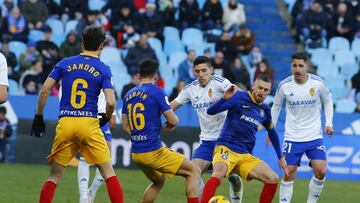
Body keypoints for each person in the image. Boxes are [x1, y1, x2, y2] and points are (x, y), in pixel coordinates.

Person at [30, 25, 124, 203]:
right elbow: (111, 101)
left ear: (82, 43)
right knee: (109, 173)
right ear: (101, 45)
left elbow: (44, 91)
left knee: (54, 177)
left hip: (66, 122)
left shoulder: (64, 63)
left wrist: (38, 116)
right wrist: (107, 115)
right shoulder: (103, 68)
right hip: (89, 123)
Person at [121, 58, 201, 203]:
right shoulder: (157, 92)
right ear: (156, 75)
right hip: (153, 151)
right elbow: (173, 119)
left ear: (139, 76)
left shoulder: (128, 95)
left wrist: (140, 136)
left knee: (158, 181)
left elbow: (126, 126)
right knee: (194, 171)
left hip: (136, 152)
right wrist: (171, 123)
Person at [201, 74, 287, 203]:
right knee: (218, 174)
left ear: (269, 92)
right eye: (260, 88)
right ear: (253, 86)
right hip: (226, 148)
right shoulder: (239, 97)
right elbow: (210, 111)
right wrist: (223, 99)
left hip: (244, 155)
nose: (262, 92)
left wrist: (280, 157)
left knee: (273, 178)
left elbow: (272, 132)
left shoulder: (265, 110)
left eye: (265, 90)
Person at [170, 56, 244, 203]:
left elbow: (240, 94)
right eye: (197, 71)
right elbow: (170, 106)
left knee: (233, 177)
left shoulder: (220, 82)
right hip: (206, 141)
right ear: (193, 72)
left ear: (211, 70)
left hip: (227, 140)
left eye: (204, 70)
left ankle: (236, 199)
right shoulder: (190, 89)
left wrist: (223, 100)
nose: (201, 74)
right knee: (192, 172)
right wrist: (162, 114)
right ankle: (206, 199)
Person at [271, 52, 334, 203]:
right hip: (293, 136)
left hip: (314, 136)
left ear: (307, 66)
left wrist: (329, 123)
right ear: (291, 66)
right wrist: (270, 128)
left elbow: (328, 101)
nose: (297, 69)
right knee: (289, 172)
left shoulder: (318, 83)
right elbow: (276, 106)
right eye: (294, 65)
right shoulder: (284, 86)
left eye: (300, 66)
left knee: (321, 170)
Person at [77, 91, 117, 203]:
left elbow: (109, 93)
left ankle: (92, 192)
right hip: (87, 116)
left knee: (107, 160)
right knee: (84, 157)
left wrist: (112, 114)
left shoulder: (105, 75)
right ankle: (83, 196)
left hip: (103, 118)